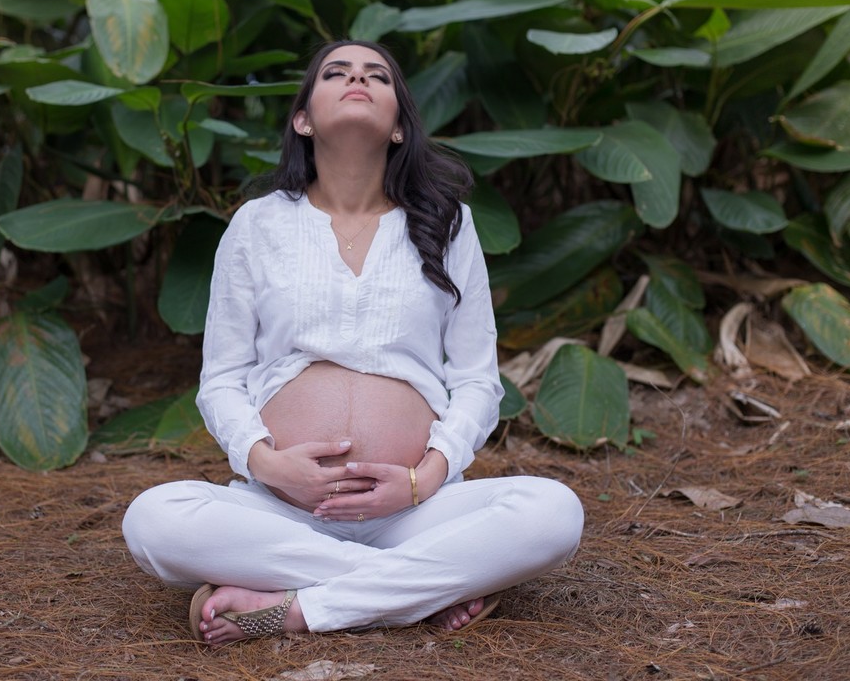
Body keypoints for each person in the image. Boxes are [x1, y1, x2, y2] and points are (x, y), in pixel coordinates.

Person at [121, 40, 585, 646]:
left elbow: (477, 381)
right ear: (303, 119)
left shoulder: (448, 223)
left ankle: (295, 609)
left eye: (378, 76)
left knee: (553, 513)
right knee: (154, 520)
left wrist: (424, 478)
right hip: (282, 510)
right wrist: (269, 465)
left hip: (416, 510)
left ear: (398, 126)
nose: (357, 78)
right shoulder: (257, 225)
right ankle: (420, 591)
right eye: (336, 72)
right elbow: (222, 379)